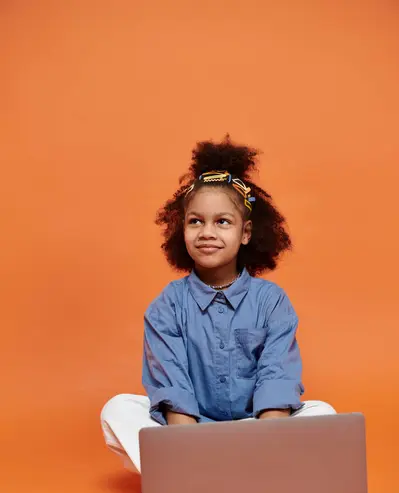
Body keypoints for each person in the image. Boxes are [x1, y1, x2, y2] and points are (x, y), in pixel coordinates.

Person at [101, 135, 336, 472]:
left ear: (246, 232)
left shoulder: (271, 302)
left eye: (222, 222)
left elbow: (276, 378)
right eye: (195, 221)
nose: (207, 232)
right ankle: (215, 473)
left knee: (322, 413)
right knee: (118, 409)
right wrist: (192, 447)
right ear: (180, 229)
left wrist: (268, 439)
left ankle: (233, 470)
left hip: (256, 430)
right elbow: (172, 387)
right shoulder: (167, 305)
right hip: (191, 432)